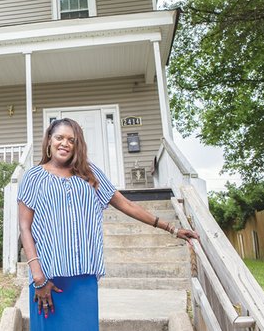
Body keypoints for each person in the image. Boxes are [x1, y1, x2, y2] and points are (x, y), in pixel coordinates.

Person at [18, 118, 199, 330]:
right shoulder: (34, 176)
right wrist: (38, 277)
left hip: (83, 276)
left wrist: (172, 229)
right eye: (59, 138)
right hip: (47, 277)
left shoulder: (88, 173)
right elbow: (25, 227)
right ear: (49, 140)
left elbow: (127, 205)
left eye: (71, 140)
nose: (65, 143)